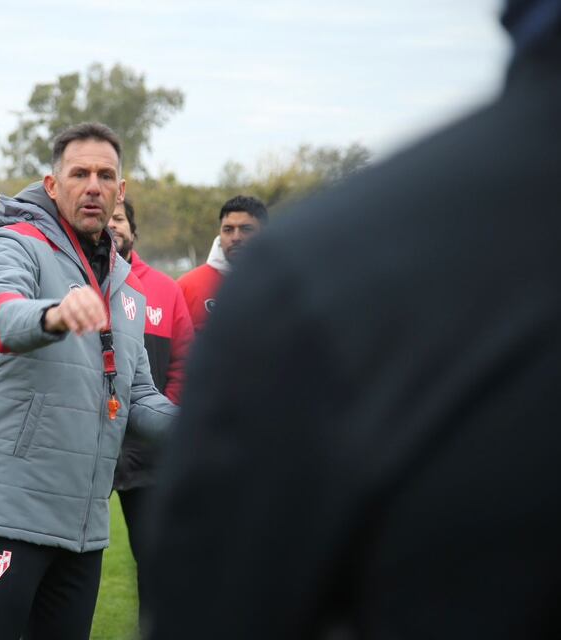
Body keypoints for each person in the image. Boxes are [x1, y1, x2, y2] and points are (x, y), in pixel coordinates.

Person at [146, 2, 561, 638]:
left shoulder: (315, 269)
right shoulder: (254, 284)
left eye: (245, 229)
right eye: (226, 229)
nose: (234, 239)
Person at [0, 123, 177, 640]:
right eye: (79, 174)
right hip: (4, 515)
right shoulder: (13, 244)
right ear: (53, 185)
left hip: (82, 532)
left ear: (121, 190)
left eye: (105, 175)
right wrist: (52, 315)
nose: (93, 186)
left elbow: (137, 396)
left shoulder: (126, 286)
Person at [106, 198, 193, 624]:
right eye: (106, 218)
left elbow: (184, 363)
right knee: (67, 561)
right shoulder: (73, 280)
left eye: (119, 218)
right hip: (90, 448)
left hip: (147, 451)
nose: (112, 225)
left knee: (155, 560)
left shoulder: (163, 288)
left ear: (133, 230)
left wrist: (165, 416)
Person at [177, 195, 268, 332]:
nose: (236, 237)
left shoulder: (287, 285)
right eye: (228, 229)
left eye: (246, 229)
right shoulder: (187, 287)